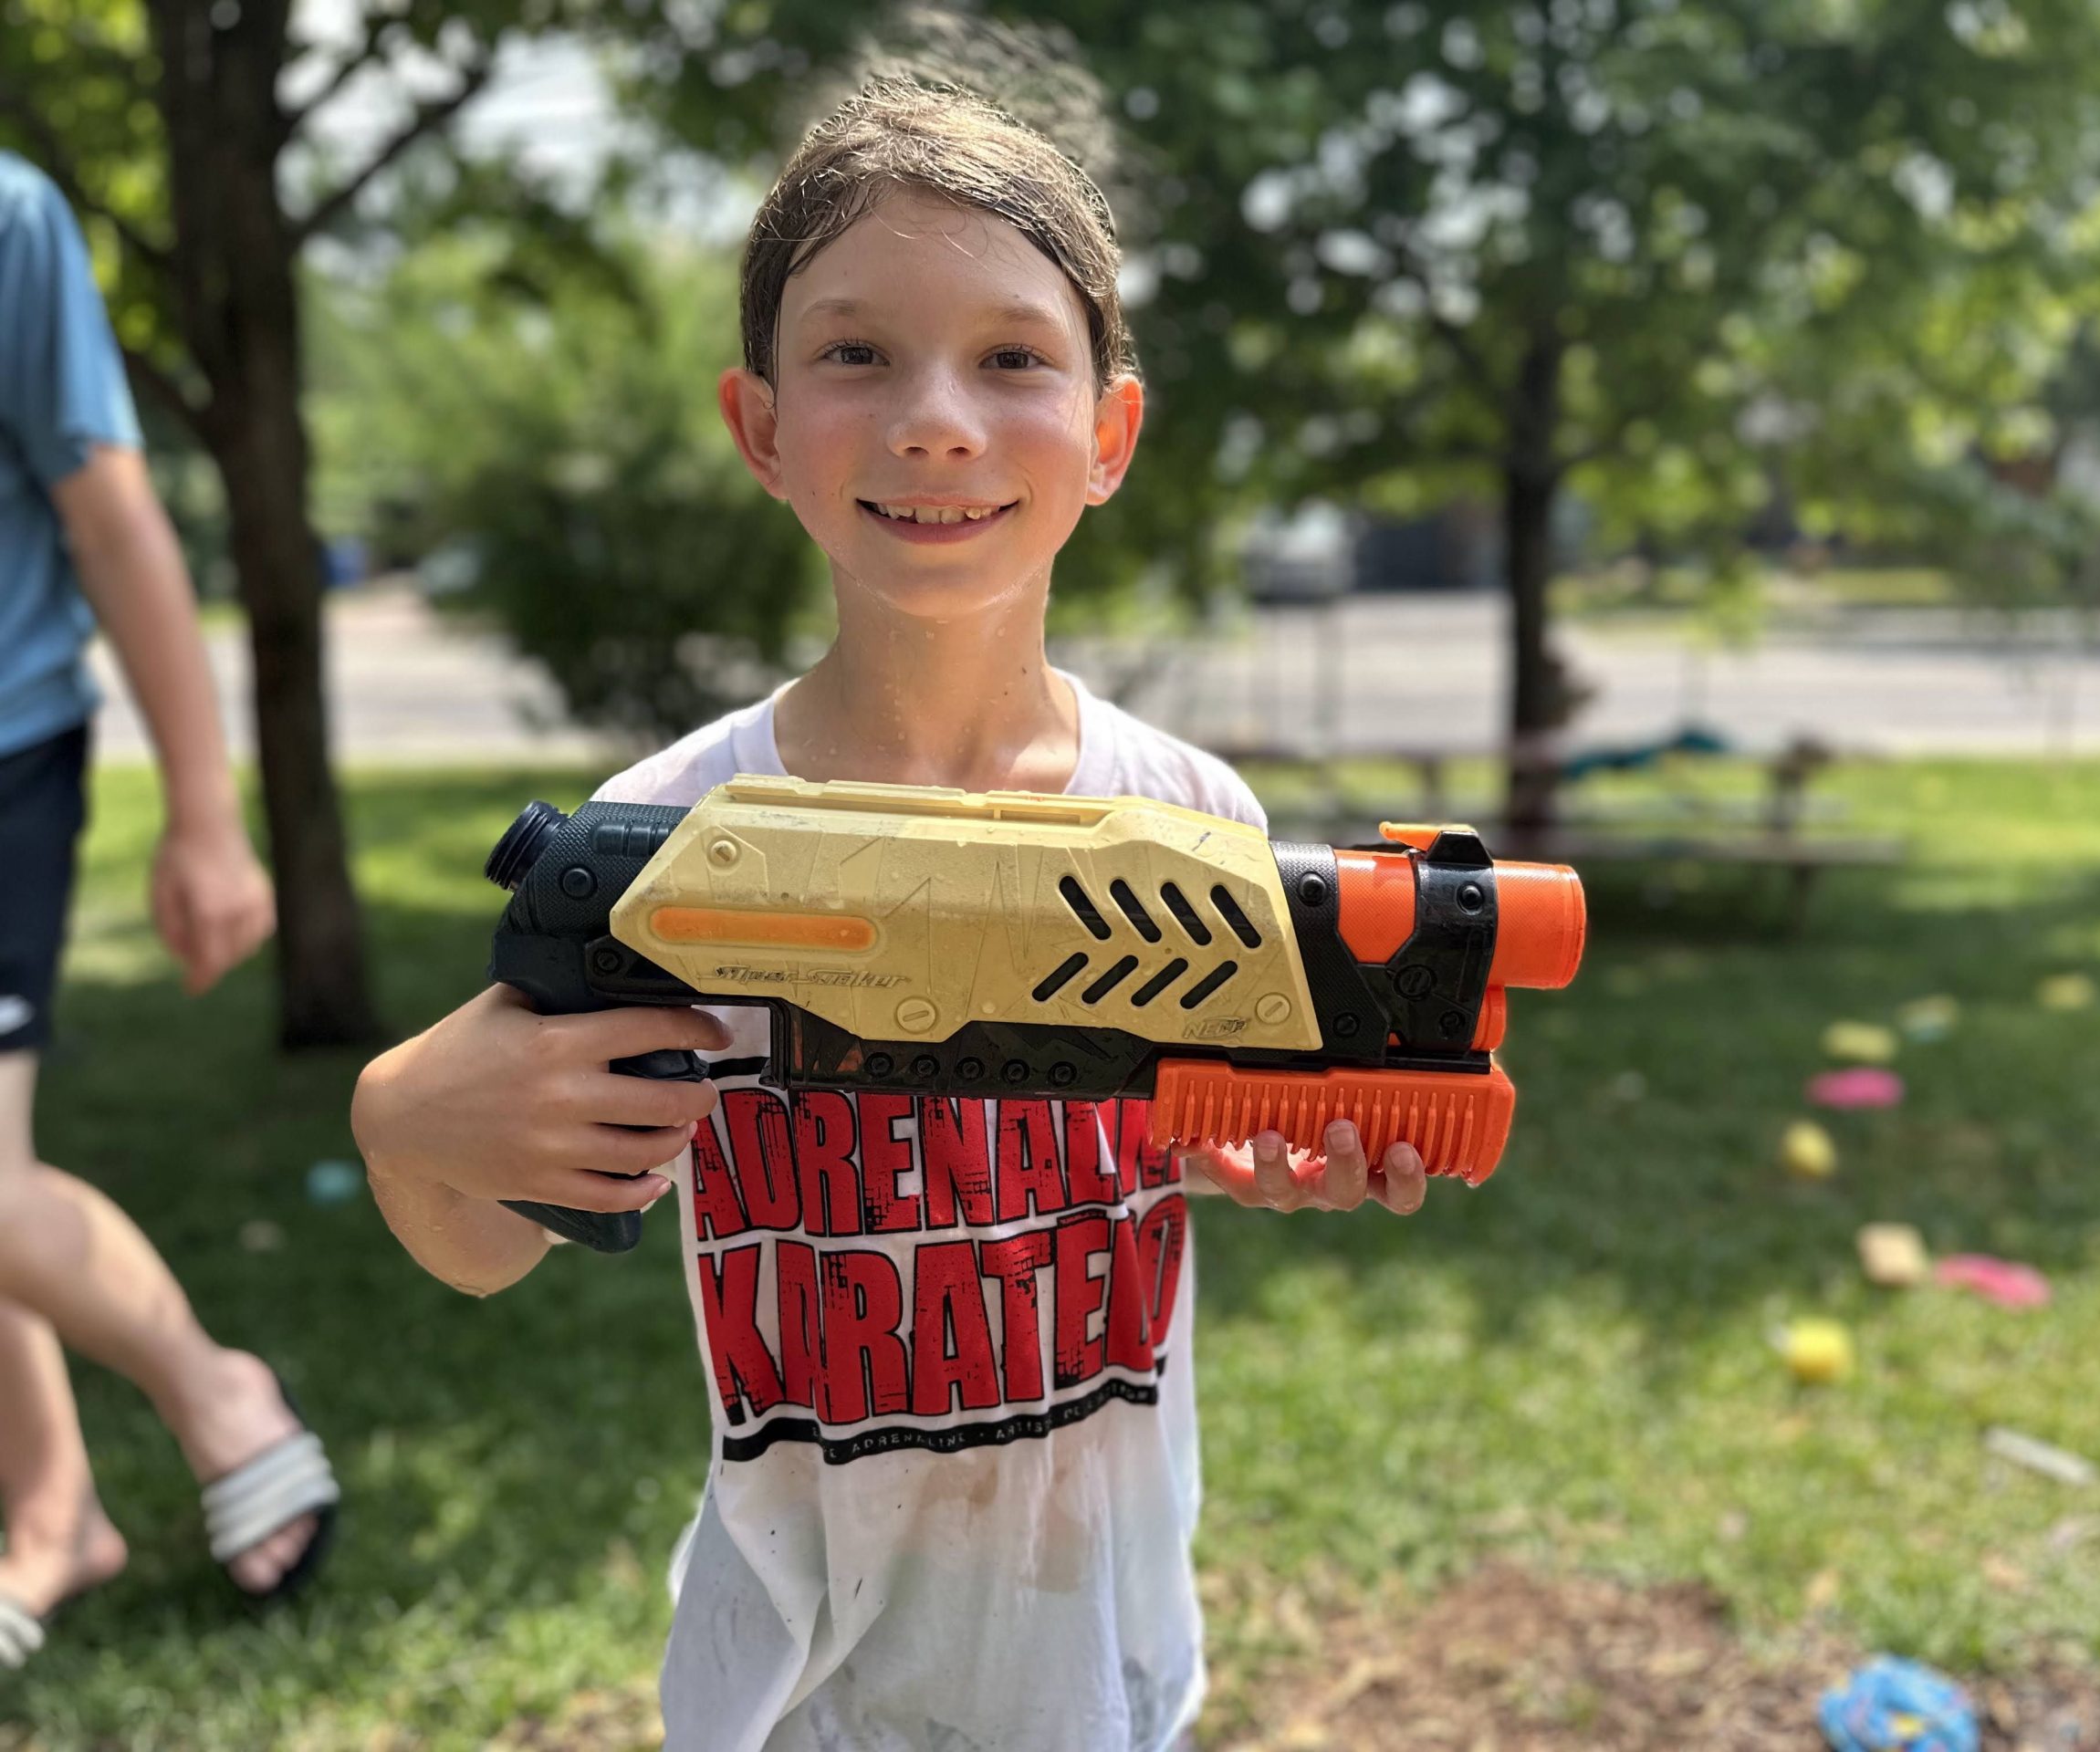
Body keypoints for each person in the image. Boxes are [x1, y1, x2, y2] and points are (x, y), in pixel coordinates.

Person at [351, 72, 1437, 1751]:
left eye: (1012, 358)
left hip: (1101, 1652)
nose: (937, 419)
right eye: (856, 352)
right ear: (762, 428)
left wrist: (1267, 1149)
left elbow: (1207, 1139)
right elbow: (490, 1243)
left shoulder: (1198, 823)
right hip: (791, 1689)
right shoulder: (670, 838)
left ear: (1110, 437)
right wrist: (403, 1122)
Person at [0, 151, 340, 1673]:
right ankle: (53, 1512)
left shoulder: (7, 219)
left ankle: (214, 1391)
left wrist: (206, 817)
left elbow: (115, 517)